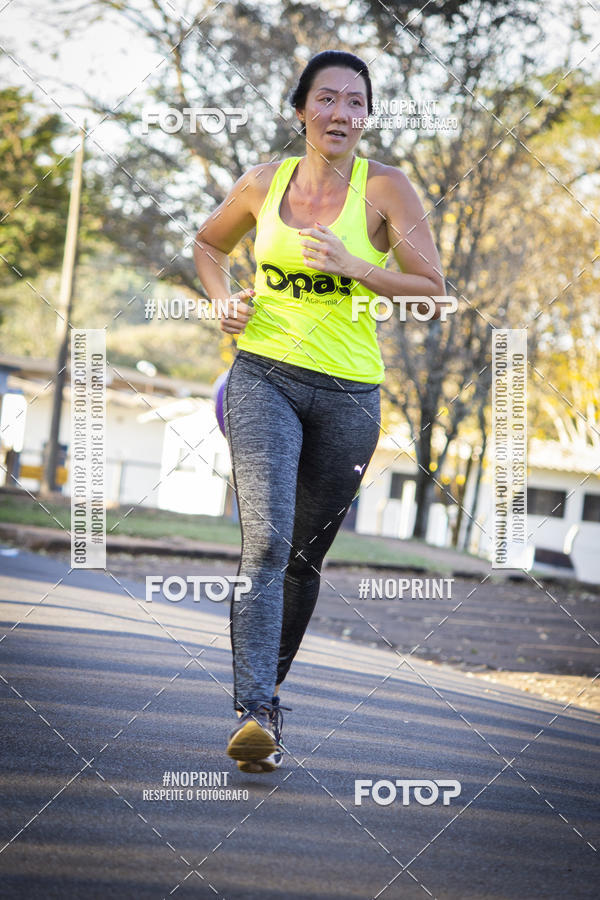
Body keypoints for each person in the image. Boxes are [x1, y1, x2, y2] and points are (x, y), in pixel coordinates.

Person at [193, 49, 445, 773]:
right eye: (327, 98)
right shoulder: (261, 183)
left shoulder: (387, 188)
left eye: (355, 102)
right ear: (301, 109)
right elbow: (208, 244)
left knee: (303, 558)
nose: (341, 112)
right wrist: (222, 301)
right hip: (262, 376)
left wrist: (357, 266)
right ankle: (254, 711)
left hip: (349, 394)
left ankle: (268, 699)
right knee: (266, 546)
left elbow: (432, 290)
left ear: (367, 117)